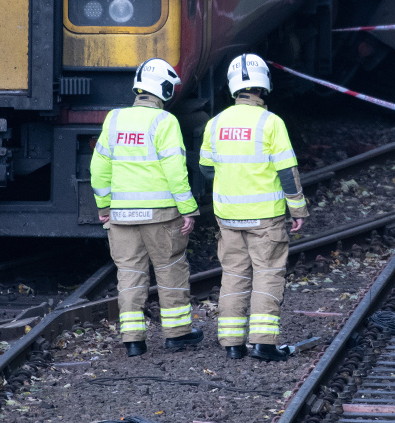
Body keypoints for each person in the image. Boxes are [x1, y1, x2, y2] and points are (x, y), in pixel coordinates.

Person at [90, 58, 203, 357]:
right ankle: (177, 335)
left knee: (129, 273)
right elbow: (175, 170)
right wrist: (188, 207)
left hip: (122, 216)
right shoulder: (164, 122)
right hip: (161, 215)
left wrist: (104, 206)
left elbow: (98, 168)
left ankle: (133, 341)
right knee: (169, 270)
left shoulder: (113, 119)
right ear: (164, 89)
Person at [199, 53, 307, 361]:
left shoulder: (215, 123)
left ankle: (232, 344)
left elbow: (207, 168)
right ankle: (263, 343)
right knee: (267, 273)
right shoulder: (271, 123)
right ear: (264, 86)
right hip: (265, 218)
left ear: (234, 87)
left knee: (233, 274)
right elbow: (288, 172)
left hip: (229, 216)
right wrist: (297, 209)